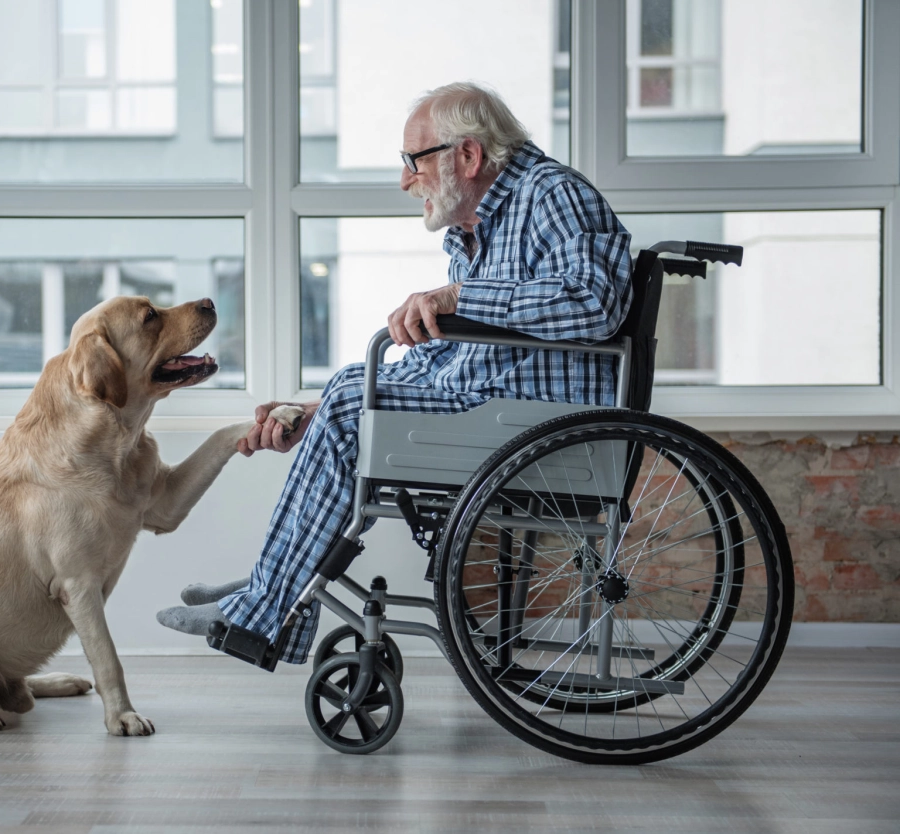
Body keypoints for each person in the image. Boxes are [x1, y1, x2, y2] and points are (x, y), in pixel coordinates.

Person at [156, 81, 632, 664]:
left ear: (468, 155)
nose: (405, 180)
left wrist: (461, 297)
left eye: (413, 161)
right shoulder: (477, 229)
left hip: (546, 430)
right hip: (499, 413)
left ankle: (266, 601)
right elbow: (450, 355)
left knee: (355, 393)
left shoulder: (552, 195)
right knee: (354, 384)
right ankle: (269, 588)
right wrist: (317, 411)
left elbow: (595, 303)